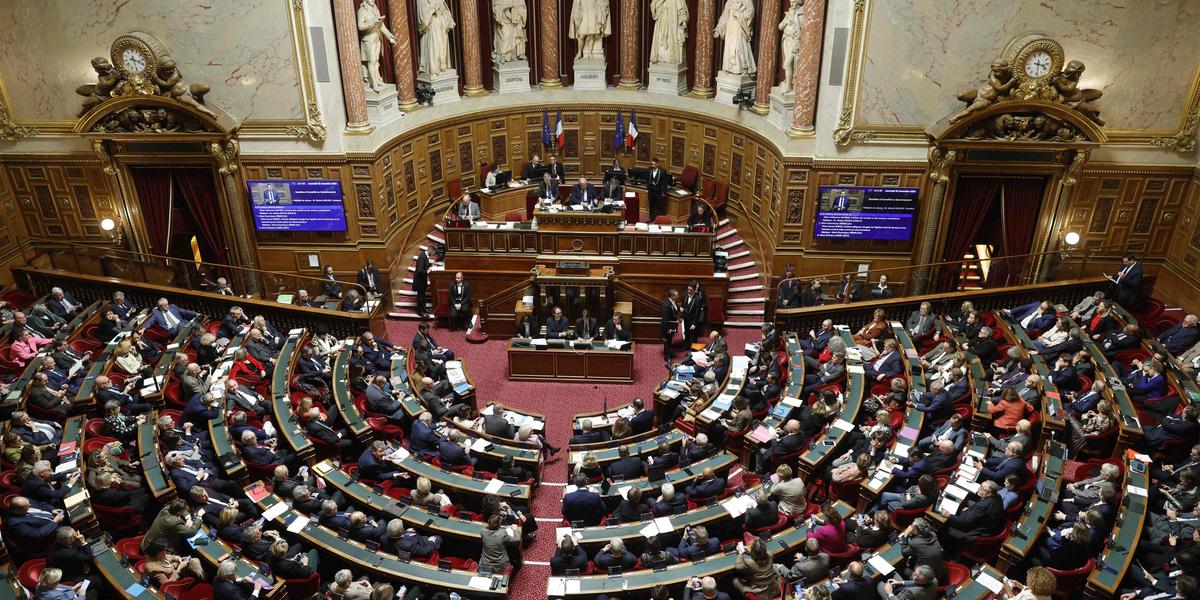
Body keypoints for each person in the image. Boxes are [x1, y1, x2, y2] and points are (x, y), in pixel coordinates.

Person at [682, 280, 707, 345]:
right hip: (686, 319)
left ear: (694, 290)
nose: (689, 291)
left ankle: (693, 349)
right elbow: (684, 305)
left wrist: (694, 324)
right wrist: (682, 309)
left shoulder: (698, 299)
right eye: (688, 289)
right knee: (686, 333)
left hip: (693, 320)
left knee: (693, 336)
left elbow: (697, 312)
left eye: (690, 290)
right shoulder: (686, 295)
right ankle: (686, 346)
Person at [661, 289, 681, 362]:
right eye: (676, 295)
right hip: (668, 326)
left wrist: (679, 309)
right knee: (667, 341)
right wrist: (667, 329)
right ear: (672, 296)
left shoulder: (673, 302)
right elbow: (665, 319)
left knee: (669, 340)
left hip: (672, 324)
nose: (677, 296)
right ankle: (668, 358)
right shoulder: (667, 305)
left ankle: (667, 353)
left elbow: (675, 309)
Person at [413, 246, 432, 317]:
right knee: (420, 296)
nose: (433, 254)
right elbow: (420, 270)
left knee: (423, 295)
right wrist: (427, 272)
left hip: (422, 280)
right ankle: (420, 312)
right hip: (419, 281)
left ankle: (424, 309)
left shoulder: (425, 256)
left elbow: (424, 266)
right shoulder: (422, 257)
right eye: (433, 253)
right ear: (430, 251)